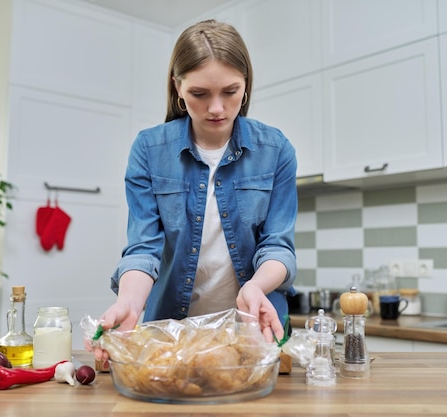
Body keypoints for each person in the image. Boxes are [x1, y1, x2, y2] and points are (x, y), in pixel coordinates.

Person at [90, 19, 298, 362]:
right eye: (200, 94)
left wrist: (256, 288)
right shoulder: (148, 149)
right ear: (178, 89)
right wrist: (128, 302)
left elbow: (278, 245)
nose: (216, 108)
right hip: (171, 333)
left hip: (254, 332)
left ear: (246, 85)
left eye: (230, 91)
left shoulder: (276, 150)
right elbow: (144, 248)